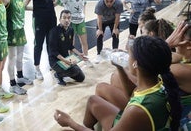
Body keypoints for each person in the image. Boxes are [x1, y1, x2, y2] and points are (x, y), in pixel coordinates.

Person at [54, 36, 182, 131]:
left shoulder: (137, 110)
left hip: (133, 122)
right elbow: (132, 95)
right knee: (93, 100)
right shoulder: (157, 83)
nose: (126, 56)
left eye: (129, 54)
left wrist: (70, 123)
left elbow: (135, 106)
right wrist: (120, 67)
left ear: (135, 64)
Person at [25, 0, 57, 80]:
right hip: (39, 21)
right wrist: (35, 9)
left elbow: (53, 2)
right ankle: (37, 69)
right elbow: (24, 5)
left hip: (52, 19)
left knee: (51, 43)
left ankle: (52, 64)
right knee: (38, 44)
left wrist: (59, 2)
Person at [58, 0, 93, 68]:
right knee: (71, 44)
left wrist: (84, 14)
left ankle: (86, 59)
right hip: (71, 22)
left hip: (81, 21)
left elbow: (84, 4)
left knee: (84, 42)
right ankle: (71, 62)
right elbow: (58, 3)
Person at [6, 0, 33, 95]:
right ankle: (12, 84)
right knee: (12, 58)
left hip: (20, 29)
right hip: (11, 31)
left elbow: (21, 8)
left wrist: (35, 8)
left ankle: (20, 76)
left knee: (20, 56)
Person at [48, 10, 86, 86]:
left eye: (69, 18)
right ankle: (58, 75)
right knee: (74, 71)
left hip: (66, 59)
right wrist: (64, 60)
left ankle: (63, 72)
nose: (67, 20)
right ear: (59, 19)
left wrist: (80, 54)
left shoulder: (71, 30)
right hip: (55, 61)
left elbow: (70, 46)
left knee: (81, 78)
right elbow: (53, 51)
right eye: (64, 18)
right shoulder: (54, 31)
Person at [94, 0, 123, 64]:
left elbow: (117, 17)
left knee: (115, 35)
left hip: (113, 21)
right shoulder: (99, 4)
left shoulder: (119, 3)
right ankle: (99, 54)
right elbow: (99, 18)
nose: (109, 3)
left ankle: (115, 54)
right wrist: (100, 30)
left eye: (111, 1)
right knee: (99, 35)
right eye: (107, 1)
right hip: (102, 21)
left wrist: (115, 28)